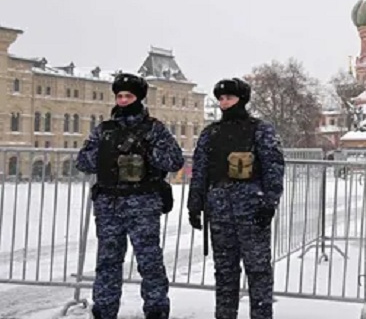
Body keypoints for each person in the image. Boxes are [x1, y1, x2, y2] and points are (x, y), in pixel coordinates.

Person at [76, 72, 184, 319]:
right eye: (119, 96)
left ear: (139, 98)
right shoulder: (104, 130)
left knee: (149, 261)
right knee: (108, 262)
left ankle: (156, 310)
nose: (123, 100)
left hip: (142, 203)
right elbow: (83, 161)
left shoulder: (154, 129)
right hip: (109, 204)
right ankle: (104, 310)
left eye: (129, 96)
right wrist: (106, 155)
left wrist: (147, 153)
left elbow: (174, 160)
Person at [187, 77, 285, 319]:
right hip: (219, 210)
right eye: (220, 99)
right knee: (225, 270)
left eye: (229, 98)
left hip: (252, 210)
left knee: (258, 270)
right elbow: (200, 170)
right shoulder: (211, 133)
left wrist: (269, 202)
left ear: (241, 99)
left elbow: (274, 168)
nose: (224, 103)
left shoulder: (260, 130)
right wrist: (195, 204)